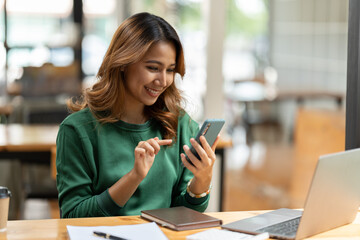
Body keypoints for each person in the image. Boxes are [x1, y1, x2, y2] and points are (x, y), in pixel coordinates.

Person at [56, 12, 220, 218]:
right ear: (123, 62)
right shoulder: (77, 130)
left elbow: (184, 213)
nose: (163, 80)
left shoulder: (180, 124)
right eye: (153, 68)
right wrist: (134, 177)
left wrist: (202, 180)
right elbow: (73, 216)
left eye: (170, 70)